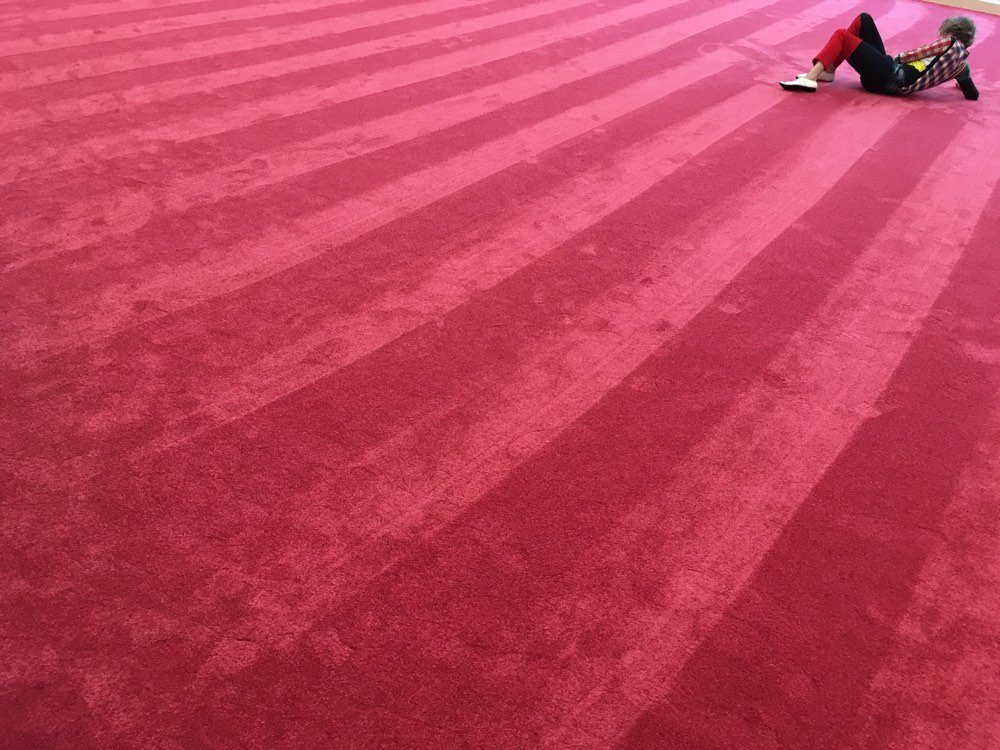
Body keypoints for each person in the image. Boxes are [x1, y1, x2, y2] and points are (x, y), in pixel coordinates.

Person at [779, 13, 979, 100]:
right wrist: (959, 82)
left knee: (842, 35)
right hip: (888, 82)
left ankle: (811, 78)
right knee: (863, 19)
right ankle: (829, 71)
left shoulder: (949, 42)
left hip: (889, 74)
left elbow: (914, 54)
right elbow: (973, 95)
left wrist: (895, 58)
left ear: (951, 31)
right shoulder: (962, 65)